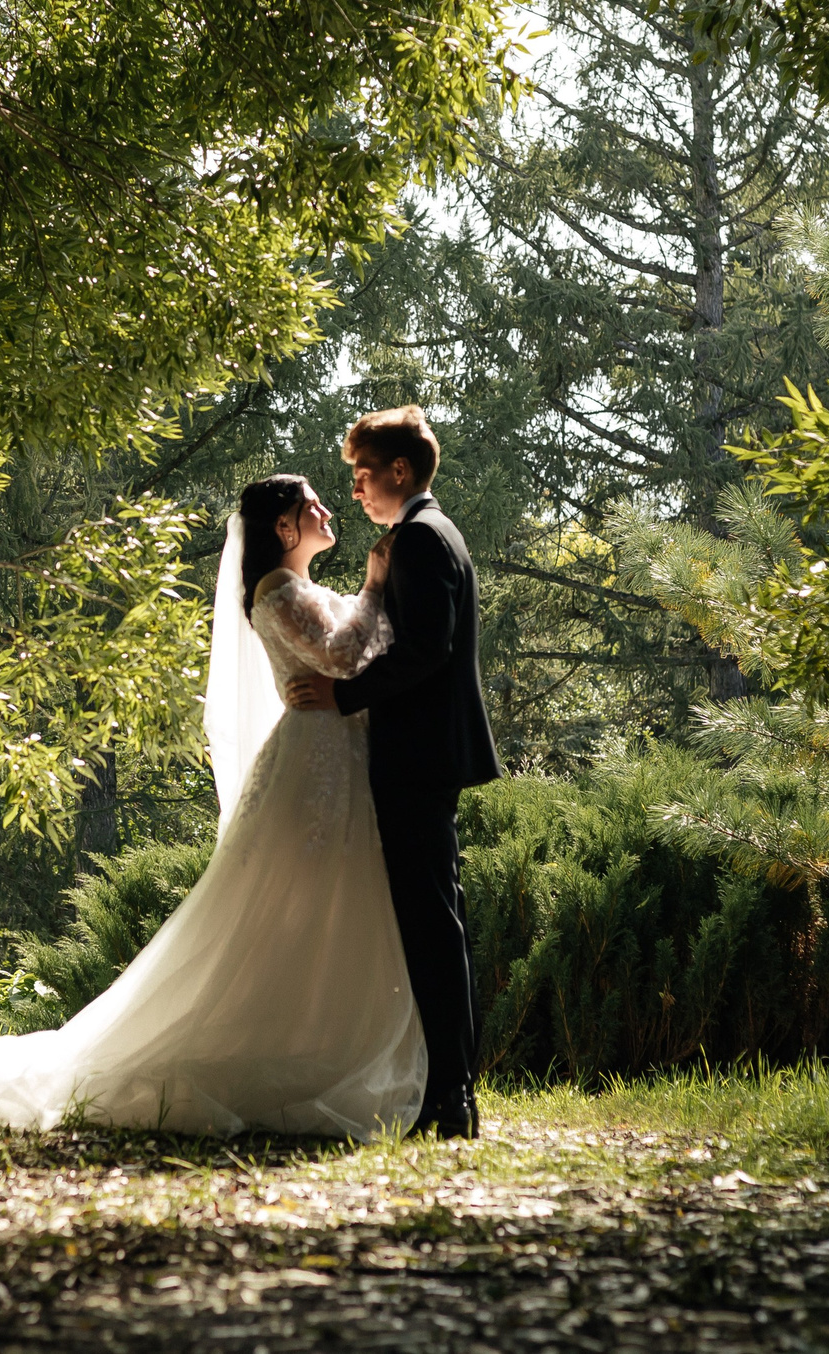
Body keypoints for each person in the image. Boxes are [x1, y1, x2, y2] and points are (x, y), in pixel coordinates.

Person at [0, 473, 425, 1137]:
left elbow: (364, 653)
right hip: (312, 767)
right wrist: (376, 584)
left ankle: (313, 1048)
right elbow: (344, 656)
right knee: (286, 909)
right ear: (284, 527)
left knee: (324, 910)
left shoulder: (302, 588)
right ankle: (277, 1056)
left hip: (337, 759)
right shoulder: (277, 591)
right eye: (311, 504)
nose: (326, 509)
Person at [286, 405, 500, 1138]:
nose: (354, 489)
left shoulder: (418, 539)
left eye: (362, 474)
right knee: (438, 917)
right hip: (428, 753)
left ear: (399, 472)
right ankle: (451, 1089)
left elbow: (426, 650)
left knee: (432, 922)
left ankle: (452, 1096)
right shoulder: (430, 534)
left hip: (419, 755)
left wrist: (342, 694)